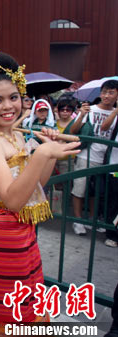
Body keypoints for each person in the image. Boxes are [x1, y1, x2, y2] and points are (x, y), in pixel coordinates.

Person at [0, 52, 80, 336]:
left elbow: (35, 186)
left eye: (14, 97)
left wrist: (49, 154)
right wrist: (41, 152)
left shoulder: (16, 135)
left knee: (29, 297)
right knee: (9, 307)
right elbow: (13, 199)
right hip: (0, 233)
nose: (8, 106)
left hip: (22, 229)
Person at [69, 79, 118, 235]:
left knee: (96, 191)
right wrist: (81, 115)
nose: (106, 96)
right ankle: (77, 220)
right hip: (86, 155)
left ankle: (91, 218)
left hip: (106, 159)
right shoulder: (91, 110)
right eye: (104, 92)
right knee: (80, 188)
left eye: (111, 92)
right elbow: (73, 131)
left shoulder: (116, 114)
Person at [100, 102, 118, 247]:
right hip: (115, 169)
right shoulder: (115, 115)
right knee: (114, 200)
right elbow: (104, 127)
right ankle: (112, 233)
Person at [54, 97, 76, 175]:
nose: (65, 112)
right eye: (62, 110)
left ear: (72, 111)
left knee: (66, 183)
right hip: (54, 158)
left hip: (69, 159)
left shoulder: (75, 124)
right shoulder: (53, 123)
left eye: (68, 110)